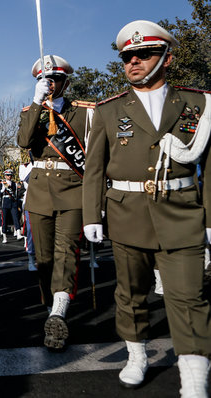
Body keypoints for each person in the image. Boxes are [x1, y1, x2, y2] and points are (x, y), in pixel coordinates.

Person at [83, 20, 211, 395]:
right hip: (127, 211)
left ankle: (194, 378)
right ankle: (137, 354)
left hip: (182, 210)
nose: (134, 61)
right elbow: (94, 168)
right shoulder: (107, 110)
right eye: (128, 57)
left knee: (189, 296)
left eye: (144, 54)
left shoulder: (197, 103)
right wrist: (92, 214)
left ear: (166, 58)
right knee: (131, 293)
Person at [17, 54, 94, 350]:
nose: (50, 85)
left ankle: (60, 308)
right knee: (44, 258)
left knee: (68, 251)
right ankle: (51, 303)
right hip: (39, 191)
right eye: (44, 81)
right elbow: (24, 141)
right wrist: (37, 104)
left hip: (73, 188)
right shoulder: (29, 111)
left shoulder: (85, 113)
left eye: (55, 80)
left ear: (65, 82)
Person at [0, 169, 22, 243]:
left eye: (10, 175)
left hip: (13, 202)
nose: (9, 176)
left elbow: (16, 194)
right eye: (7, 175)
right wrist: (2, 189)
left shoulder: (14, 184)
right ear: (5, 176)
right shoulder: (2, 183)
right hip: (5, 202)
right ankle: (4, 236)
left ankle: (18, 233)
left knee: (15, 217)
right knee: (4, 219)